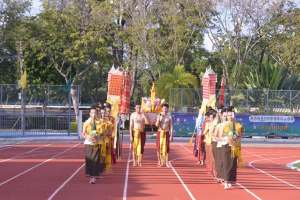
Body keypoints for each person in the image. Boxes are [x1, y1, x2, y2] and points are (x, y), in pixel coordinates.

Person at [220, 106, 244, 189]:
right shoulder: (224, 125)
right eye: (228, 115)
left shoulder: (238, 125)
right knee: (226, 163)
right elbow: (220, 136)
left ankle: (231, 182)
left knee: (233, 164)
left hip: (234, 146)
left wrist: (236, 141)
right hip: (226, 146)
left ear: (234, 116)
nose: (230, 117)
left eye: (231, 115)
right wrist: (226, 139)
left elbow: (240, 137)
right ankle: (226, 182)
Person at [82, 108, 107, 184]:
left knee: (96, 160)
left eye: (95, 113)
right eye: (92, 113)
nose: (93, 114)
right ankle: (90, 176)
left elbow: (104, 134)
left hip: (97, 143)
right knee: (89, 160)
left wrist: (98, 138)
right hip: (89, 143)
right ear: (89, 113)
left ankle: (93, 177)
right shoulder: (87, 122)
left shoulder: (101, 122)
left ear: (97, 114)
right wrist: (87, 137)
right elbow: (83, 134)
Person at [129, 101, 149, 167]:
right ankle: (134, 161)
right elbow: (131, 126)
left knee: (141, 147)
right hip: (135, 132)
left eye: (140, 108)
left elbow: (147, 122)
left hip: (142, 132)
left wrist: (144, 115)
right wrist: (131, 136)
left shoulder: (143, 115)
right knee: (134, 148)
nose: (139, 109)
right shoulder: (132, 115)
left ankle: (140, 161)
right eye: (137, 107)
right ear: (135, 108)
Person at [155, 103, 173, 167]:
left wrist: (171, 135)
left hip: (166, 132)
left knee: (167, 148)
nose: (165, 110)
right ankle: (161, 162)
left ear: (168, 109)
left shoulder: (169, 117)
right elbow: (156, 125)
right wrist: (159, 118)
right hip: (160, 132)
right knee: (159, 147)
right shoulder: (159, 115)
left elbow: (171, 126)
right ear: (162, 109)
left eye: (166, 108)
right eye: (164, 108)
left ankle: (167, 162)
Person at [214, 107, 227, 183]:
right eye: (224, 116)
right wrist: (220, 139)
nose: (226, 117)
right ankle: (221, 178)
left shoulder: (231, 125)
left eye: (227, 116)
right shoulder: (219, 125)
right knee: (221, 162)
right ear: (221, 116)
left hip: (229, 146)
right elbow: (215, 136)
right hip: (220, 145)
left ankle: (227, 179)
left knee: (227, 162)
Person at [212, 104, 224, 182]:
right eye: (219, 113)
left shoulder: (225, 122)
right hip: (216, 142)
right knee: (217, 159)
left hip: (224, 142)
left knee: (222, 160)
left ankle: (222, 176)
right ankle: (217, 174)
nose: (220, 114)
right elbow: (211, 132)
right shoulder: (215, 121)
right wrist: (217, 136)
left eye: (222, 113)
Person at [204, 110, 217, 177]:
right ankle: (209, 169)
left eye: (213, 117)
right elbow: (204, 132)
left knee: (213, 157)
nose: (211, 119)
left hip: (214, 141)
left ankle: (214, 170)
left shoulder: (216, 124)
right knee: (208, 156)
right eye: (210, 117)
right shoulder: (207, 124)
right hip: (208, 141)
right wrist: (208, 128)